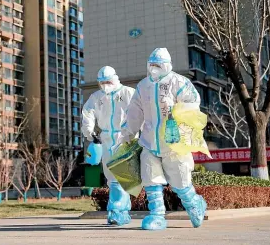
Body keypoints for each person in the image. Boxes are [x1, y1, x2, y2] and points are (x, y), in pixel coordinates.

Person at [119, 47, 207, 230]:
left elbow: (193, 104)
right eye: (151, 65)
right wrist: (127, 133)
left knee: (180, 181)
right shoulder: (143, 86)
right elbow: (135, 112)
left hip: (174, 142)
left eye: (158, 65)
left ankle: (194, 205)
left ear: (167, 65)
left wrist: (177, 110)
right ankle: (157, 215)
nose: (154, 68)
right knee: (151, 179)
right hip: (149, 141)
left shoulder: (179, 82)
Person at [82, 66, 136, 226]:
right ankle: (122, 212)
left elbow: (140, 112)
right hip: (105, 139)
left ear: (115, 78)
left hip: (125, 137)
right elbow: (88, 113)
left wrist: (136, 131)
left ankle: (116, 211)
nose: (105, 84)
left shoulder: (128, 93)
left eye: (108, 81)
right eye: (102, 82)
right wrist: (89, 131)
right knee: (112, 178)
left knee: (122, 176)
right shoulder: (96, 97)